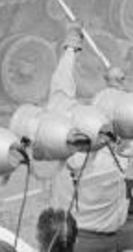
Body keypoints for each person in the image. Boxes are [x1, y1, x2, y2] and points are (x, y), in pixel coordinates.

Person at [48, 25, 133, 252]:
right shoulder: (125, 155)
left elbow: (60, 91)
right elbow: (125, 125)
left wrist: (70, 50)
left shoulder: (69, 142)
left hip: (72, 239)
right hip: (116, 238)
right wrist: (118, 89)